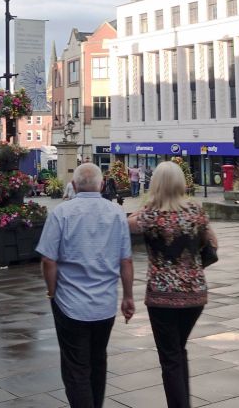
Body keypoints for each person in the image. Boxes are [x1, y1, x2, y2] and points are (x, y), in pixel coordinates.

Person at [36, 163, 134, 408]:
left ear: (74, 185)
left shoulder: (61, 213)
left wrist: (51, 291)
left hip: (70, 304)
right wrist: (128, 297)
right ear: (102, 185)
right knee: (98, 361)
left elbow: (48, 259)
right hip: (105, 305)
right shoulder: (116, 214)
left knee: (76, 368)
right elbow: (126, 260)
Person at [128, 161, 217, 408]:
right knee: (178, 350)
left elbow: (128, 225)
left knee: (170, 357)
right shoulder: (195, 211)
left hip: (162, 297)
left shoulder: (150, 215)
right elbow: (214, 244)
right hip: (195, 294)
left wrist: (145, 206)